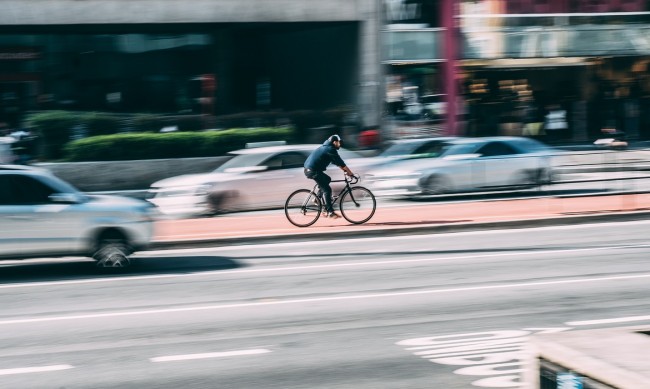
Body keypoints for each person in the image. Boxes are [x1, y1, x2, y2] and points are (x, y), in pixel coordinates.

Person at [304, 134, 354, 219]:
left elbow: (337, 163)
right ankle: (330, 212)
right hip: (312, 171)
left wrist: (345, 170)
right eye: (339, 142)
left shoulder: (327, 148)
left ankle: (317, 199)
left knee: (327, 179)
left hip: (312, 169)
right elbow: (341, 163)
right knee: (327, 189)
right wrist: (350, 173)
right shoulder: (330, 149)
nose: (340, 144)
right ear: (334, 142)